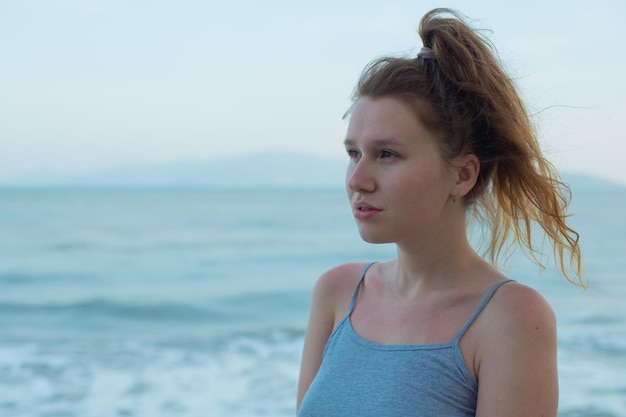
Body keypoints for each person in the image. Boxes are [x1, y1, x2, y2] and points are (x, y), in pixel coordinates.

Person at [296, 8, 585, 417]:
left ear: (463, 175)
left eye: (388, 154)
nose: (357, 179)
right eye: (353, 153)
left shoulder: (511, 318)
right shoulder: (337, 293)